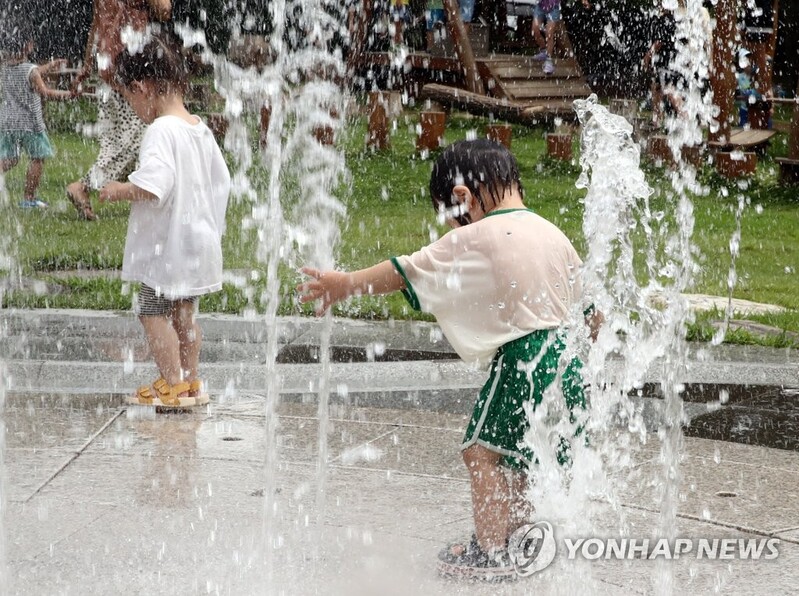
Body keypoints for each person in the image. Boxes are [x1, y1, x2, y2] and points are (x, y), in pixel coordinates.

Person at [297, 139, 602, 580]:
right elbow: (592, 313)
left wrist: (345, 283)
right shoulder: (552, 233)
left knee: (481, 452)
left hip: (525, 357)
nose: (457, 224)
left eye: (454, 213)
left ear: (464, 196)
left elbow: (407, 269)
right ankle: (518, 537)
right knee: (520, 455)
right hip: (569, 357)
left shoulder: (479, 233)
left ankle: (491, 550)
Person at [99, 34, 231, 408]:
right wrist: (209, 229)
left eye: (129, 98)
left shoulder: (160, 131)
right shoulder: (198, 128)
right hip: (195, 244)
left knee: (151, 311)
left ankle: (170, 384)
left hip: (166, 249)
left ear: (142, 87)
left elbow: (155, 186)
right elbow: (222, 183)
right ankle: (191, 383)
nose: (133, 106)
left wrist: (119, 190)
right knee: (184, 314)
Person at [66, 0, 172, 221]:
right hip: (128, 70)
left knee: (117, 142)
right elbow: (164, 11)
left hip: (108, 69)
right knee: (137, 140)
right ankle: (84, 186)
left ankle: (143, 192)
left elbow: (96, 27)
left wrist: (87, 67)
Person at [0, 35, 73, 209]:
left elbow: (31, 72)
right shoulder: (31, 70)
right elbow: (44, 92)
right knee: (37, 158)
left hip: (8, 122)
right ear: (28, 47)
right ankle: (29, 197)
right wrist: (69, 94)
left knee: (9, 158)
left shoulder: (4, 68)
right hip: (30, 124)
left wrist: (49, 66)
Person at [532, 0, 589, 76]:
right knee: (535, 30)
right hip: (540, 6)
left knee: (549, 34)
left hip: (554, 8)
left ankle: (549, 60)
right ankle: (543, 50)